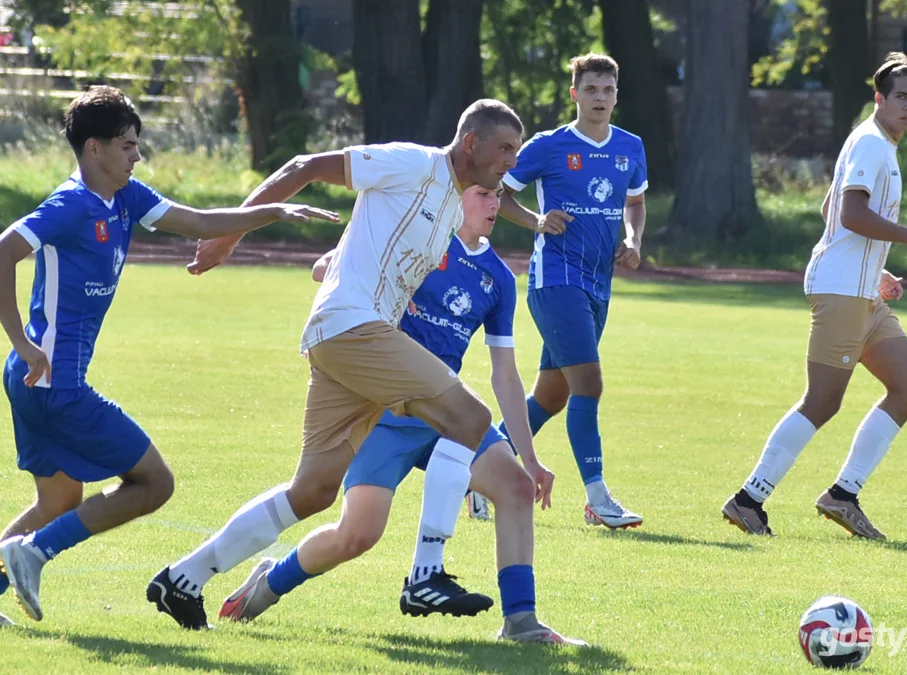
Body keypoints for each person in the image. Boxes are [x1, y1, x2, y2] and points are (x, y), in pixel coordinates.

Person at [0, 86, 338, 626]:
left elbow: (198, 222)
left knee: (57, 502)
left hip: (33, 379)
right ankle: (33, 553)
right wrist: (20, 339)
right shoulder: (70, 205)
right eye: (128, 146)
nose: (137, 156)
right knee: (154, 483)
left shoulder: (124, 197)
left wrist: (273, 211)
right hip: (52, 380)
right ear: (93, 149)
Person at [148, 99, 525, 630]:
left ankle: (184, 578)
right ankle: (426, 574)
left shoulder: (451, 202)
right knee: (470, 419)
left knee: (313, 492)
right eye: (506, 148)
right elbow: (302, 167)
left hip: (347, 338)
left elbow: (377, 248)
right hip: (352, 327)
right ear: (472, 144)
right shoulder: (414, 163)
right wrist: (229, 232)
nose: (513, 161)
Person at [215, 185, 582, 645]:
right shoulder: (420, 239)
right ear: (459, 193)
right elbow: (323, 268)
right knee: (357, 536)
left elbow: (505, 377)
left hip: (449, 413)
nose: (495, 205)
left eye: (499, 198)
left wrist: (529, 458)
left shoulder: (499, 278)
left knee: (516, 487)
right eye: (485, 194)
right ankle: (268, 583)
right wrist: (349, 268)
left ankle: (521, 622)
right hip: (385, 414)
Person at [721, 53, 907, 539]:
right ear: (879, 98)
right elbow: (849, 215)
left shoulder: (879, 146)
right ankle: (748, 500)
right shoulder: (871, 143)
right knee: (822, 401)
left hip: (862, 290)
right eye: (901, 97)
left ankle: (843, 496)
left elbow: (830, 206)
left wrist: (878, 269)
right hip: (841, 290)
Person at [490, 53, 648, 529]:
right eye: (591, 89)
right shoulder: (549, 146)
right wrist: (537, 221)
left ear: (617, 96)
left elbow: (635, 204)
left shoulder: (630, 146)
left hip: (599, 283)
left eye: (608, 90)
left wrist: (633, 240)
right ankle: (598, 499)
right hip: (555, 281)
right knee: (590, 385)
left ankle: (473, 476)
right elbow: (498, 191)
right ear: (574, 93)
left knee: (551, 398)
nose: (600, 98)